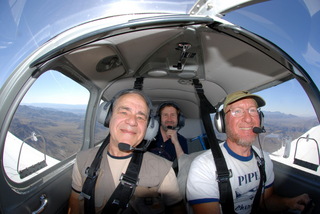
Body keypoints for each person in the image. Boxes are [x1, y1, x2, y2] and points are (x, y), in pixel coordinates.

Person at [186, 91, 310, 214]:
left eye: (252, 110)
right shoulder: (204, 166)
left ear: (260, 118)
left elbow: (265, 201)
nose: (248, 119)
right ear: (222, 122)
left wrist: (288, 203)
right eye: (237, 111)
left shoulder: (264, 159)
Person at [68, 89, 186, 214]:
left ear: (149, 128)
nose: (132, 121)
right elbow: (75, 203)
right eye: (124, 112)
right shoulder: (83, 159)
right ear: (108, 117)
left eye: (140, 117)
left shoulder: (163, 169)